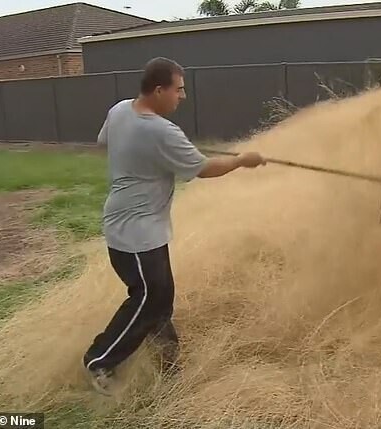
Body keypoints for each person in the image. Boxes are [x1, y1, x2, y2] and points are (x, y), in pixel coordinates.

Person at [82, 57, 266, 396]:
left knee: (159, 298)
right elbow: (204, 169)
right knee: (150, 295)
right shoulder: (160, 130)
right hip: (134, 231)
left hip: (133, 223)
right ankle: (100, 360)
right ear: (158, 90)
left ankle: (168, 363)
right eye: (178, 89)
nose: (182, 96)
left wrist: (150, 154)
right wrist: (242, 160)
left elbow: (103, 141)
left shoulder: (120, 110)